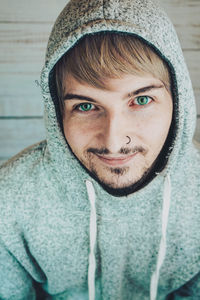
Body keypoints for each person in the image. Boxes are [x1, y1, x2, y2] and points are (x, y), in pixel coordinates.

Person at [0, 0, 200, 299]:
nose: (113, 141)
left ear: (178, 101)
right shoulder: (9, 202)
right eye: (85, 105)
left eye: (141, 100)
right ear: (57, 111)